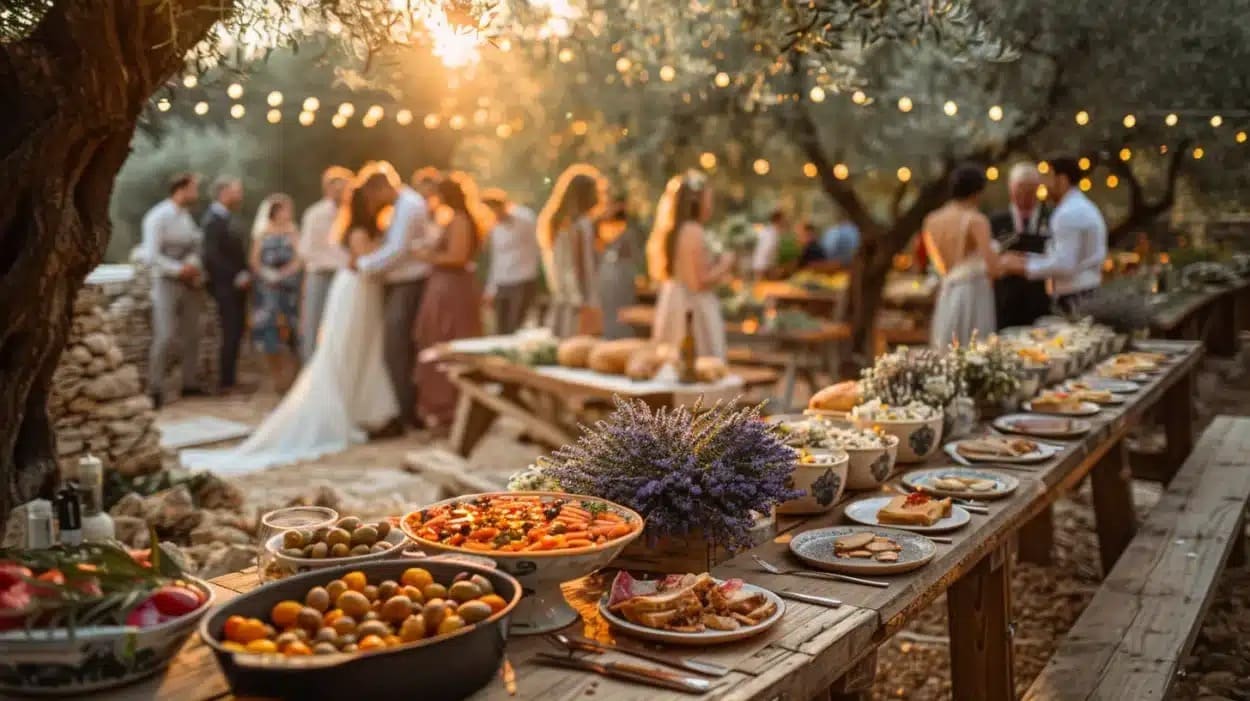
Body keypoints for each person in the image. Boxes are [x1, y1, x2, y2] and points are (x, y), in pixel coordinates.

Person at [181, 173, 398, 475]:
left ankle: (362, 406)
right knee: (343, 349)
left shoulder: (354, 225)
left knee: (361, 349)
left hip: (354, 290)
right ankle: (338, 407)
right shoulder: (358, 229)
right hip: (354, 290)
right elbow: (364, 262)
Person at [356, 161, 430, 433]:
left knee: (395, 349)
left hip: (409, 283)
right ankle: (406, 410)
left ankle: (405, 413)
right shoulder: (402, 205)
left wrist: (364, 266)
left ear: (383, 187)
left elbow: (398, 250)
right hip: (400, 282)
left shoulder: (409, 205)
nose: (374, 202)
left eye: (374, 195)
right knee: (399, 349)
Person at [412, 173, 485, 429]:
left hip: (452, 289)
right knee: (436, 339)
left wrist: (426, 255)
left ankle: (451, 409)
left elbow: (457, 256)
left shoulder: (460, 220)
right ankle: (442, 409)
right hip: (444, 286)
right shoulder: (452, 219)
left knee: (449, 339)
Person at [1001, 157, 1108, 313]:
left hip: (1076, 295)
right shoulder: (1079, 206)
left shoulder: (1067, 213)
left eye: (1048, 177)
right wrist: (1026, 259)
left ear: (1062, 180)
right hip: (1084, 290)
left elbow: (1064, 264)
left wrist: (1023, 266)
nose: (1044, 185)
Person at [647, 171, 733, 359]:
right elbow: (698, 282)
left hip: (674, 301)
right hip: (692, 310)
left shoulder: (674, 231)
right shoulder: (693, 231)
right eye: (708, 198)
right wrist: (725, 264)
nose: (711, 205)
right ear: (697, 201)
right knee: (698, 362)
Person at [142, 172, 205, 408]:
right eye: (193, 189)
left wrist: (193, 266)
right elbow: (151, 256)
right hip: (166, 281)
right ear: (181, 189)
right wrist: (179, 270)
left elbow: (196, 243)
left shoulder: (186, 217)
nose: (196, 194)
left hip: (189, 283)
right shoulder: (157, 216)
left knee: (192, 333)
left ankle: (189, 383)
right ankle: (155, 388)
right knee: (165, 335)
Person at [923, 164, 999, 348]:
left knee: (948, 351)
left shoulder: (931, 220)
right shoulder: (976, 220)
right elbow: (993, 268)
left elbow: (938, 264)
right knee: (975, 348)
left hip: (947, 292)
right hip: (973, 293)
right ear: (977, 192)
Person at [538, 164, 606, 337]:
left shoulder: (560, 224)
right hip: (580, 299)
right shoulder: (581, 225)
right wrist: (586, 300)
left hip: (563, 297)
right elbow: (580, 263)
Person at [200, 176, 250, 395]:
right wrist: (235, 275)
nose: (240, 195)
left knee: (236, 330)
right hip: (224, 286)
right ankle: (224, 383)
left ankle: (231, 378)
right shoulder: (212, 220)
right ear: (223, 192)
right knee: (229, 331)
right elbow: (211, 256)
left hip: (237, 285)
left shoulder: (228, 218)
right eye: (236, 190)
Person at [250, 194, 303, 391]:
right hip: (267, 287)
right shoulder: (262, 233)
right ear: (275, 212)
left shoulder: (293, 231)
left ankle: (295, 375)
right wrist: (268, 273)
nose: (288, 213)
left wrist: (284, 273)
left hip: (289, 286)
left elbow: (300, 258)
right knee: (269, 328)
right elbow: (254, 260)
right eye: (285, 209)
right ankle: (276, 377)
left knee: (292, 327)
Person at [299, 166, 352, 361]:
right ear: (327, 189)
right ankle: (309, 369)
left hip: (346, 277)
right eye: (336, 189)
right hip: (321, 275)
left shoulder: (353, 214)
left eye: (344, 188)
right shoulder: (315, 214)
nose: (340, 193)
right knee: (314, 323)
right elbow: (306, 250)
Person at [992, 163, 1052, 329]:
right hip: (1005, 301)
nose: (1024, 197)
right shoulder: (996, 221)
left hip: (1041, 299)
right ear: (1011, 190)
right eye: (1020, 191)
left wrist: (1021, 262)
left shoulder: (1052, 218)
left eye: (1029, 191)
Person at [481, 188, 539, 335]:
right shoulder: (495, 229)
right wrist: (490, 289)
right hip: (502, 282)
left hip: (523, 279)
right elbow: (496, 258)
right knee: (501, 328)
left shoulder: (524, 218)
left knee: (517, 326)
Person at [597, 196, 640, 339]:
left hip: (620, 274)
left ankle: (620, 337)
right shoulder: (605, 228)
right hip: (612, 275)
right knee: (611, 308)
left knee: (621, 308)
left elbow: (633, 255)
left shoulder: (627, 230)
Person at [751, 209, 787, 280]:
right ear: (778, 220)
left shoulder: (772, 231)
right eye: (784, 219)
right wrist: (773, 268)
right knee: (763, 287)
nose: (785, 222)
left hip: (763, 266)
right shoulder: (771, 233)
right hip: (763, 267)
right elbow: (767, 250)